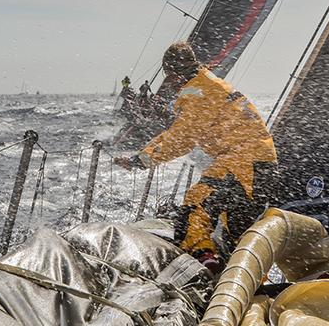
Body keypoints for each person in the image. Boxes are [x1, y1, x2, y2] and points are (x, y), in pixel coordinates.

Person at [114, 41, 277, 260]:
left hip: (241, 161)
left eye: (168, 75)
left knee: (195, 208)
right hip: (261, 162)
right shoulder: (209, 84)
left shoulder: (196, 92)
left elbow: (182, 138)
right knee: (239, 231)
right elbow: (180, 130)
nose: (169, 81)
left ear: (172, 72)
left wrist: (140, 161)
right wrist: (143, 155)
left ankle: (203, 261)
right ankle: (245, 283)